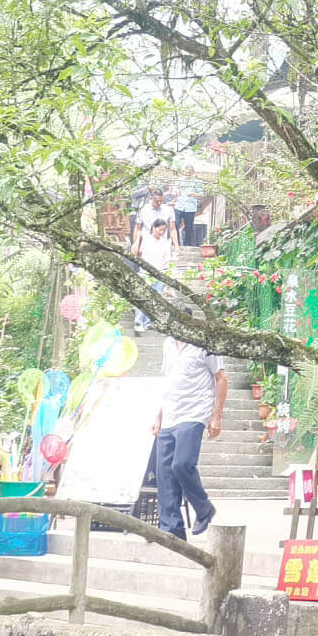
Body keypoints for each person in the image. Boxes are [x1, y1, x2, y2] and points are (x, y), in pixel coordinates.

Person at [150, 334, 227, 539]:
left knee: (181, 464)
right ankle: (171, 528)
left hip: (194, 413)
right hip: (169, 415)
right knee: (164, 473)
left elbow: (221, 378)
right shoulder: (167, 343)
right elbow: (167, 380)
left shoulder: (205, 343)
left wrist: (216, 417)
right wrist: (158, 415)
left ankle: (204, 509)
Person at [135, 219, 175, 328]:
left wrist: (167, 274)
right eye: (160, 229)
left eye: (163, 230)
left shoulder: (164, 242)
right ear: (154, 228)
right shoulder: (146, 240)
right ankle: (139, 320)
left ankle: (149, 322)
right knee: (143, 296)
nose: (161, 232)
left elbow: (167, 259)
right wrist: (138, 236)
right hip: (145, 273)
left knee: (155, 299)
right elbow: (137, 253)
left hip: (159, 273)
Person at [133, 187, 175, 255]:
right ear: (151, 198)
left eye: (161, 201)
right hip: (146, 244)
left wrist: (176, 246)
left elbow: (173, 229)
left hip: (162, 243)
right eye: (157, 201)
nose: (159, 203)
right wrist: (136, 245)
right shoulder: (143, 210)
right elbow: (138, 229)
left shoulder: (168, 210)